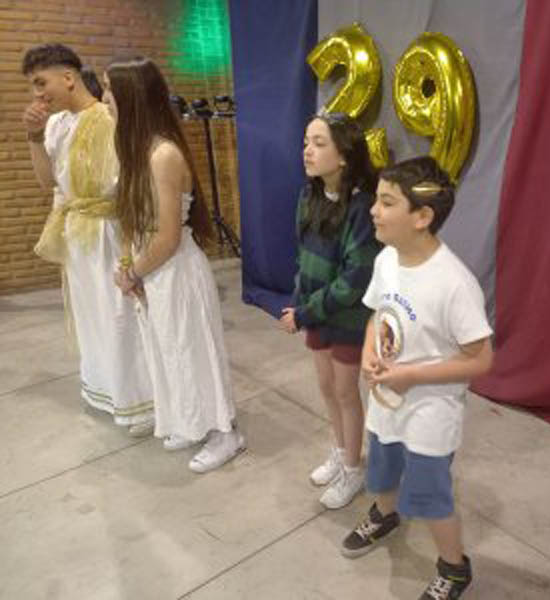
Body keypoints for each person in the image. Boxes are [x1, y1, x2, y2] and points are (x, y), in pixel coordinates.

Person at [341, 157, 493, 600]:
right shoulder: (387, 259)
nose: (373, 210)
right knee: (383, 469)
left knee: (429, 495)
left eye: (387, 202)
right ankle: (385, 515)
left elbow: (482, 359)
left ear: (422, 216)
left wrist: (411, 375)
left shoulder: (454, 283)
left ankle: (454, 567)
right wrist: (369, 354)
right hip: (386, 401)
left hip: (430, 412)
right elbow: (377, 316)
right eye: (376, 199)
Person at [103, 56, 244, 473]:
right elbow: (131, 220)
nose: (104, 98)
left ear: (131, 96)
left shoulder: (163, 155)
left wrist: (133, 272)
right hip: (152, 269)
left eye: (110, 89)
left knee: (192, 351)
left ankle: (225, 433)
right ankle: (191, 420)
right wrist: (129, 266)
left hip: (175, 269)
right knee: (168, 351)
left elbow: (167, 236)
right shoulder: (134, 150)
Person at [21, 43, 154, 435]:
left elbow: (132, 183)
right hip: (78, 235)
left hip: (111, 232)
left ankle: (141, 402)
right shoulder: (56, 125)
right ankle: (106, 391)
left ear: (68, 77)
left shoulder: (109, 118)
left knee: (121, 316)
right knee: (91, 316)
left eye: (40, 82)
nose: (37, 93)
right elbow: (47, 182)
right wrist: (34, 136)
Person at [279, 112, 379, 509]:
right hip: (317, 312)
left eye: (319, 143)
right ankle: (340, 451)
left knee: (345, 391)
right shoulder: (309, 196)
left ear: (344, 155)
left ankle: (353, 469)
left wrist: (306, 313)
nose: (308, 150)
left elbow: (356, 278)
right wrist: (298, 300)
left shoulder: (362, 207)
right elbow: (304, 257)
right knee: (325, 386)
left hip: (347, 317)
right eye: (306, 142)